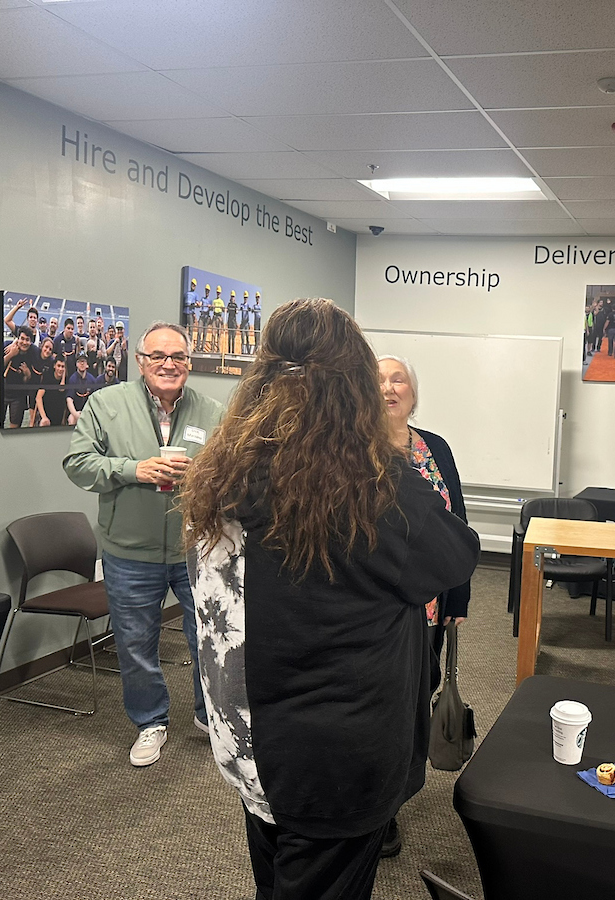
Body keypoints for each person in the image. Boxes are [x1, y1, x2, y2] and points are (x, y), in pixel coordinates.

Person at [181, 299, 478, 900]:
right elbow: (453, 556)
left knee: (278, 874)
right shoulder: (367, 483)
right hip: (333, 757)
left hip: (249, 740)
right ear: (353, 387)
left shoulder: (224, 465)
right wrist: (390, 450)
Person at [63, 322, 225, 767]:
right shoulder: (106, 404)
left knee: (209, 640)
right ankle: (150, 723)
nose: (168, 365)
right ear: (140, 361)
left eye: (178, 357)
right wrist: (133, 469)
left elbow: (235, 472)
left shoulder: (214, 411)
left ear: (190, 363)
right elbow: (78, 464)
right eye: (158, 356)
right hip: (128, 552)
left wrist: (205, 477)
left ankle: (208, 717)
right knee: (136, 644)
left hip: (198, 551)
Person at [377, 353, 475, 858]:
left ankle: (398, 787)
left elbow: (456, 521)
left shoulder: (434, 447)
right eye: (378, 380)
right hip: (378, 608)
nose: (389, 388)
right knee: (383, 705)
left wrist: (458, 593)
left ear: (413, 392)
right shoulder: (353, 449)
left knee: (421, 692)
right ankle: (381, 810)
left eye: (399, 380)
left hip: (430, 606)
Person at [35, 356, 69, 427]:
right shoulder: (47, 377)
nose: (60, 369)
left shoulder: (67, 381)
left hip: (58, 417)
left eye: (63, 367)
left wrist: (63, 419)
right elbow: (38, 397)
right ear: (54, 366)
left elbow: (65, 401)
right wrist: (44, 417)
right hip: (46, 416)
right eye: (58, 366)